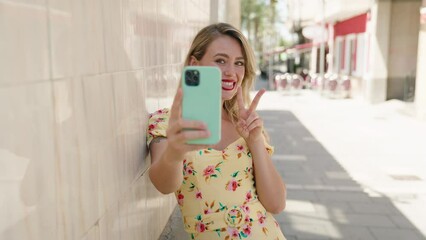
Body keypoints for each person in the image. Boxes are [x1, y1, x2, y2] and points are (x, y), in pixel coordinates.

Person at [147, 23, 287, 240]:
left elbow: (276, 204)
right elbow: (163, 185)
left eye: (239, 63)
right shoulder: (167, 121)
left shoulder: (245, 123)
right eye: (221, 60)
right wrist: (175, 153)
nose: (232, 72)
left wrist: (255, 140)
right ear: (195, 64)